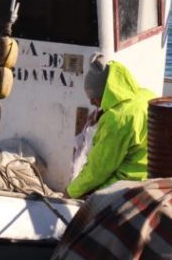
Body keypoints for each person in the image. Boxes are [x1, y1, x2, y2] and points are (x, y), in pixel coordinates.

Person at [66, 57, 155, 198]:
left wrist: (70, 192)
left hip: (130, 182)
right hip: (151, 173)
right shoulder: (147, 95)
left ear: (107, 93)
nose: (91, 101)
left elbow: (98, 170)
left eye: (94, 97)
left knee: (85, 195)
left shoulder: (117, 120)